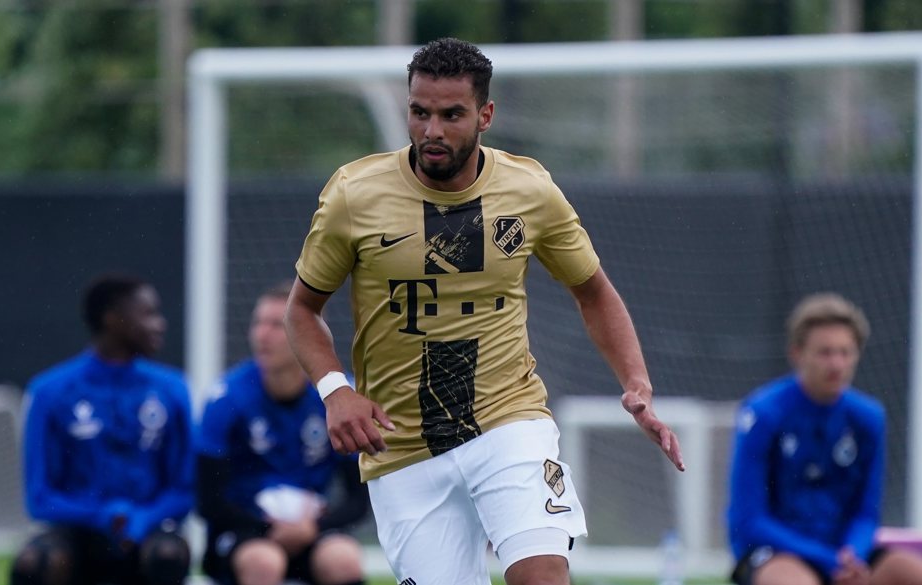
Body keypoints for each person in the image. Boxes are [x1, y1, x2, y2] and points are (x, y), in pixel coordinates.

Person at [284, 37, 684, 585]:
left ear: (486, 115)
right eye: (419, 112)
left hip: (508, 421)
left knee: (542, 575)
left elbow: (593, 291)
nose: (432, 130)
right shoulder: (355, 194)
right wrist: (336, 391)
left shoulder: (530, 189)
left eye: (451, 115)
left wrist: (636, 383)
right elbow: (302, 310)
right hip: (403, 444)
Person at [727, 293, 922, 585]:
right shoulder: (763, 413)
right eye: (825, 352)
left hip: (843, 553)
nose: (836, 363)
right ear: (797, 353)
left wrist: (852, 554)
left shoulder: (868, 417)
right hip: (779, 551)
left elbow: (867, 514)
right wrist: (828, 559)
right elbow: (749, 521)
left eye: (845, 352)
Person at [10, 274, 194, 585]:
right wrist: (100, 515)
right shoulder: (49, 392)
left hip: (146, 530)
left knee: (168, 554)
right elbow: (39, 498)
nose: (160, 324)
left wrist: (142, 517)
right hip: (78, 532)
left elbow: (184, 490)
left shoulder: (173, 389)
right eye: (148, 314)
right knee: (36, 562)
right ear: (112, 319)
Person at [196, 281, 369, 585]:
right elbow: (208, 500)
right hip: (244, 530)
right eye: (258, 323)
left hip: (311, 530)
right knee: (264, 562)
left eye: (276, 325)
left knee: (342, 559)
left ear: (310, 333)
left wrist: (313, 527)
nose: (262, 335)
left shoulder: (337, 397)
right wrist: (267, 527)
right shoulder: (226, 397)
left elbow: (358, 498)